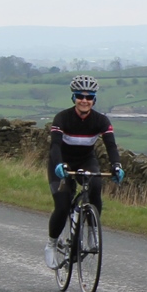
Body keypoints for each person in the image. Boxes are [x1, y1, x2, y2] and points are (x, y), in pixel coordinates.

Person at [45, 75, 124, 268]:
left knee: (96, 186)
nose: (84, 100)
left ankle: (90, 228)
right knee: (62, 206)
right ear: (74, 98)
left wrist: (116, 165)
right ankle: (52, 244)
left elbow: (111, 146)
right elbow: (55, 146)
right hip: (62, 162)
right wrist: (59, 164)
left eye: (89, 97)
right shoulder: (62, 118)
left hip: (86, 161)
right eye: (80, 96)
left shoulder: (101, 121)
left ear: (94, 100)